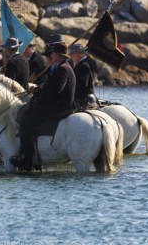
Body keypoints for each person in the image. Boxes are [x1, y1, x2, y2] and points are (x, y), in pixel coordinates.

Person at [10, 42, 76, 171]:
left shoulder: (62, 68)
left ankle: (27, 160)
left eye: (52, 53)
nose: (50, 55)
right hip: (59, 104)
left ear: (57, 55)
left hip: (59, 107)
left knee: (25, 123)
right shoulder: (64, 66)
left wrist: (40, 87)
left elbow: (56, 89)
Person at [69, 43, 99, 110]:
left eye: (71, 54)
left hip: (83, 99)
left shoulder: (83, 66)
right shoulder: (91, 61)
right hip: (91, 95)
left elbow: (81, 86)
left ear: (77, 54)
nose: (70, 57)